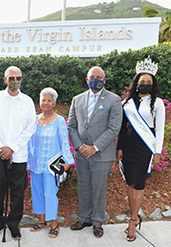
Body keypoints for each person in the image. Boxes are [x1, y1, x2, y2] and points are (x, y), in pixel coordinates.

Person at [67, 66, 122, 238]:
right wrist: (79, 146)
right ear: (86, 79)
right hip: (81, 153)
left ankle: (97, 221)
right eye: (92, 76)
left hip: (102, 154)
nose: (95, 79)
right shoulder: (77, 99)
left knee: (99, 188)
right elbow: (71, 125)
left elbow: (114, 129)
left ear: (104, 80)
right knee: (83, 186)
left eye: (99, 77)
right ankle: (84, 218)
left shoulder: (113, 100)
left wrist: (95, 147)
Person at [116, 57, 165, 242]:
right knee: (129, 182)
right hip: (128, 147)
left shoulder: (157, 103)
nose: (144, 85)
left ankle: (132, 221)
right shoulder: (127, 102)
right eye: (142, 82)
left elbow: (159, 129)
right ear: (136, 83)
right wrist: (119, 148)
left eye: (148, 83)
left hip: (145, 147)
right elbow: (122, 127)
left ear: (153, 85)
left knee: (139, 183)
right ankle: (134, 217)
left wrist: (157, 152)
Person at [0, 66, 36, 240]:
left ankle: (14, 224)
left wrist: (12, 148)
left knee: (17, 191)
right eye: (11, 78)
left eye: (18, 78)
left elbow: (30, 128)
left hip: (19, 155)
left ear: (21, 80)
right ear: (5, 79)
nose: (14, 81)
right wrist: (2, 148)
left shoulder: (27, 101)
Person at [27, 87, 74, 238]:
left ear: (54, 103)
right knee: (37, 193)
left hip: (52, 166)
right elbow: (28, 142)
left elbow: (64, 142)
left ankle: (53, 222)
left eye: (49, 100)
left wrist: (67, 162)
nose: (46, 103)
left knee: (50, 194)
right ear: (39, 102)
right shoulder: (33, 120)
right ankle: (42, 221)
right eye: (43, 100)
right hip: (35, 163)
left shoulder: (59, 121)